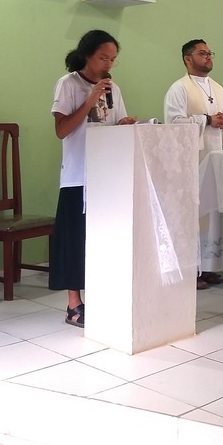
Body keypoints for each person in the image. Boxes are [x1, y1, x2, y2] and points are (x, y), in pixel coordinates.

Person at [50, 30, 137, 327]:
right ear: (87, 55)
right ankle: (74, 304)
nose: (108, 64)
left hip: (107, 173)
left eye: (113, 59)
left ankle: (103, 295)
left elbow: (115, 124)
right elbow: (61, 130)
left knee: (104, 236)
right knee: (75, 239)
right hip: (78, 174)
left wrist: (125, 123)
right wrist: (90, 100)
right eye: (103, 58)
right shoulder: (68, 84)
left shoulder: (113, 88)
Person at [164, 39, 223, 290]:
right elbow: (173, 123)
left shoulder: (217, 88)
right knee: (193, 214)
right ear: (188, 59)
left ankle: (208, 266)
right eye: (202, 53)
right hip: (191, 164)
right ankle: (190, 269)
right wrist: (207, 120)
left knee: (213, 212)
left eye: (210, 53)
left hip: (214, 158)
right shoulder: (179, 89)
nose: (208, 57)